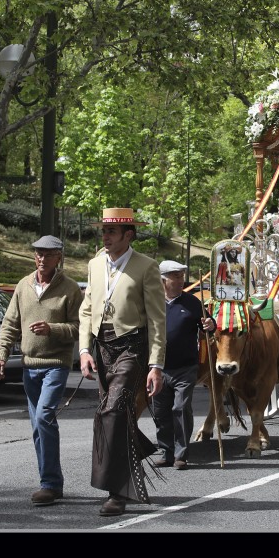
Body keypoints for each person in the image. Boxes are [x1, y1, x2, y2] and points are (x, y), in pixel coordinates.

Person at [79, 207, 167, 517]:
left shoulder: (147, 266)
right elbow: (86, 310)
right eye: (102, 231)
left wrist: (156, 365)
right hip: (102, 348)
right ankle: (139, 448)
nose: (104, 236)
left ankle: (115, 493)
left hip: (132, 347)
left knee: (113, 411)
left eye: (111, 232)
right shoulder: (94, 264)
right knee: (109, 415)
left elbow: (157, 319)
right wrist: (84, 351)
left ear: (128, 235)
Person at [0, 235, 83, 506]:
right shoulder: (23, 285)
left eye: (47, 254)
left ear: (59, 258)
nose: (41, 259)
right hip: (29, 365)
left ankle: (51, 484)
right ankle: (50, 482)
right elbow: (10, 324)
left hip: (56, 364)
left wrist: (52, 329)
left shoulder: (70, 288)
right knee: (36, 427)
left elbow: (79, 327)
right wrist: (1, 355)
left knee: (44, 417)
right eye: (38, 254)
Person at [153, 260, 216, 470]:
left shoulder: (192, 302)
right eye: (176, 277)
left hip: (185, 367)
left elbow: (207, 325)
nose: (181, 281)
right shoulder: (152, 302)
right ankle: (166, 452)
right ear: (163, 281)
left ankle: (181, 454)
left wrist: (210, 324)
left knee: (180, 408)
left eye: (181, 276)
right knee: (161, 412)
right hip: (158, 368)